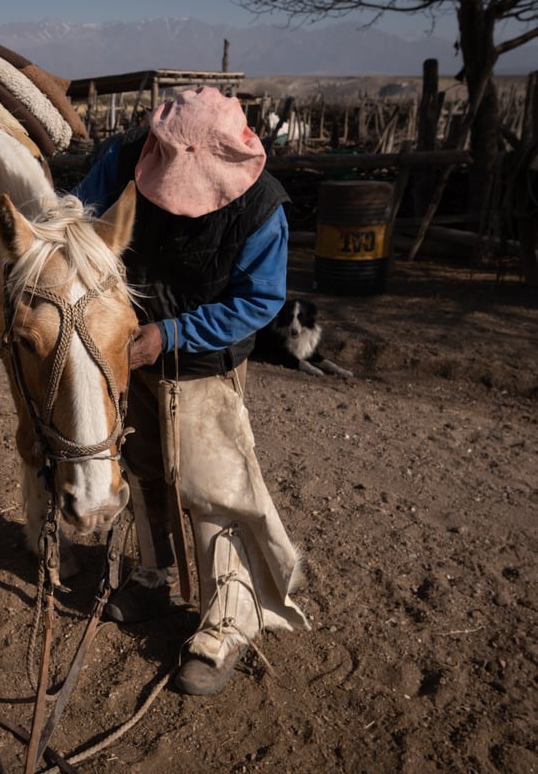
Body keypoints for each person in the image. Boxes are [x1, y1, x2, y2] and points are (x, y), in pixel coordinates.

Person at [73, 86, 309, 696]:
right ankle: (153, 576)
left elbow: (259, 300)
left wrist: (174, 332)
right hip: (130, 345)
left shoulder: (260, 208)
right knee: (142, 462)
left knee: (212, 485)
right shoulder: (127, 156)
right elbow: (75, 217)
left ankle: (228, 620)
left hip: (205, 357)